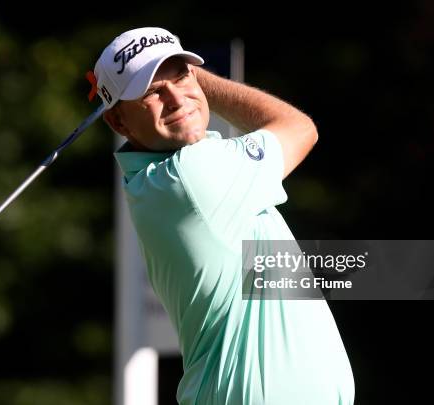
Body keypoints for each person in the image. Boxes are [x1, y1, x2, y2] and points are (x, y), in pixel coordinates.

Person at [90, 27, 355, 404]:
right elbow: (300, 128)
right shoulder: (189, 178)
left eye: (181, 76)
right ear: (118, 122)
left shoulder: (162, 180)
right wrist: (203, 83)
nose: (177, 97)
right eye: (152, 91)